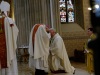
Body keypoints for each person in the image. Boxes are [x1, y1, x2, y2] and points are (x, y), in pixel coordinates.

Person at [0, 1, 19, 75]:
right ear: (7, 11)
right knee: (9, 60)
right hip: (8, 49)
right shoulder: (9, 20)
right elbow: (16, 32)